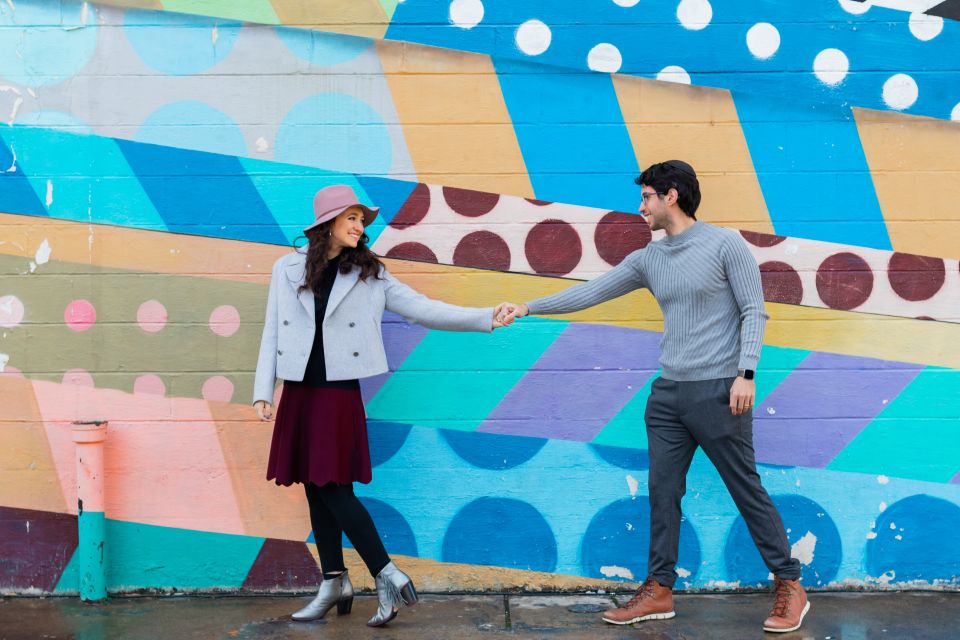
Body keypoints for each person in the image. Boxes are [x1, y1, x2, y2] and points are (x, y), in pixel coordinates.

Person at [496, 161, 809, 634]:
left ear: (672, 196)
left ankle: (790, 583)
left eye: (645, 197)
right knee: (663, 495)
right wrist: (527, 307)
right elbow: (592, 293)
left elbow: (754, 312)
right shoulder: (648, 258)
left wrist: (746, 373)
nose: (640, 206)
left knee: (745, 489)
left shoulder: (725, 245)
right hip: (668, 396)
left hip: (720, 392)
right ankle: (659, 590)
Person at [253, 184, 503, 627]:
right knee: (315, 486)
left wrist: (484, 317)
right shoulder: (286, 269)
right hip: (299, 390)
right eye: (352, 218)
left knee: (332, 486)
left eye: (361, 220)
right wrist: (261, 390)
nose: (360, 226)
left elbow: (423, 309)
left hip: (336, 392)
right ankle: (334, 581)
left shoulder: (369, 274)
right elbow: (272, 328)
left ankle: (385, 572)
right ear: (327, 222)